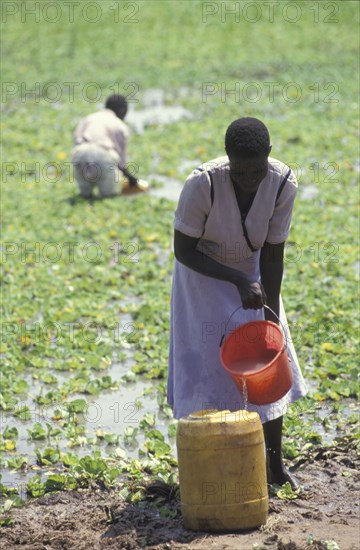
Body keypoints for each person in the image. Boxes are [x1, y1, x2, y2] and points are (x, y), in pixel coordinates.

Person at [167, 117, 307, 489]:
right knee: (209, 366)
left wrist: (270, 315)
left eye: (257, 170)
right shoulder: (203, 183)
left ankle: (274, 465)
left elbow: (274, 254)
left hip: (254, 274)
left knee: (267, 368)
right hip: (202, 277)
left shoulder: (281, 183)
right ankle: (214, 464)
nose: (250, 178)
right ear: (228, 160)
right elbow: (182, 250)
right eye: (241, 171)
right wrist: (237, 280)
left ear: (269, 157)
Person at [72, 94, 149, 198]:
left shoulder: (89, 118)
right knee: (108, 195)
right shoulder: (119, 125)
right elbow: (120, 162)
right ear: (122, 110)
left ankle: (86, 195)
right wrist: (131, 179)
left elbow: (77, 139)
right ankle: (105, 198)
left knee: (85, 196)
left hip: (80, 153)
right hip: (102, 155)